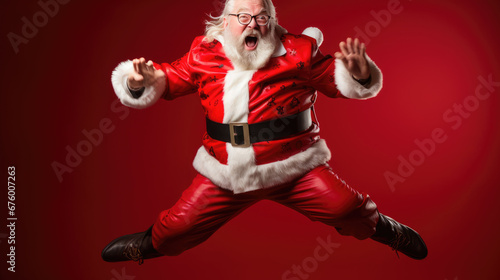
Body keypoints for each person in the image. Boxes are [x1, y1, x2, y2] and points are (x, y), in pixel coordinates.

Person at [102, 0, 428, 265]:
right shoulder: (204, 54)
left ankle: (387, 230)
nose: (252, 23)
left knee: (346, 209)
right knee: (176, 230)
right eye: (243, 16)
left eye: (261, 16)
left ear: (271, 21)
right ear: (225, 22)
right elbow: (168, 78)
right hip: (225, 172)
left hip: (294, 169)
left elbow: (334, 79)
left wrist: (361, 74)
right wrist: (137, 81)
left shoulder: (299, 53)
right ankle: (147, 244)